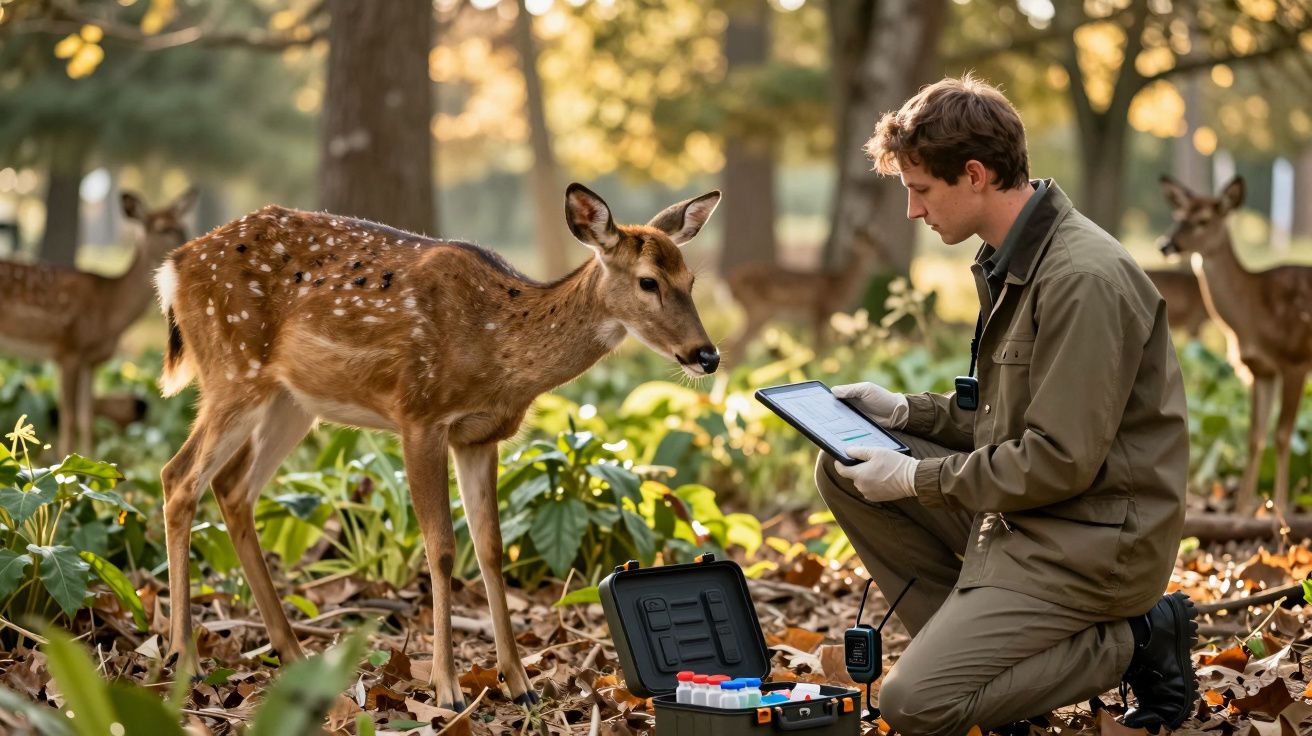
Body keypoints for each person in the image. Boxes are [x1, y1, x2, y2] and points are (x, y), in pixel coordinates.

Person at [813, 75, 1196, 734]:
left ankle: (1142, 638)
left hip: (1093, 543)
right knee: (843, 468)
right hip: (1033, 520)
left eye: (920, 190)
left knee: (914, 706)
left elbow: (1056, 460)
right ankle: (1007, 689)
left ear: (974, 175)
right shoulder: (1016, 257)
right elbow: (1009, 416)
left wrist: (913, 476)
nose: (912, 211)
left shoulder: (1080, 279)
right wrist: (904, 414)